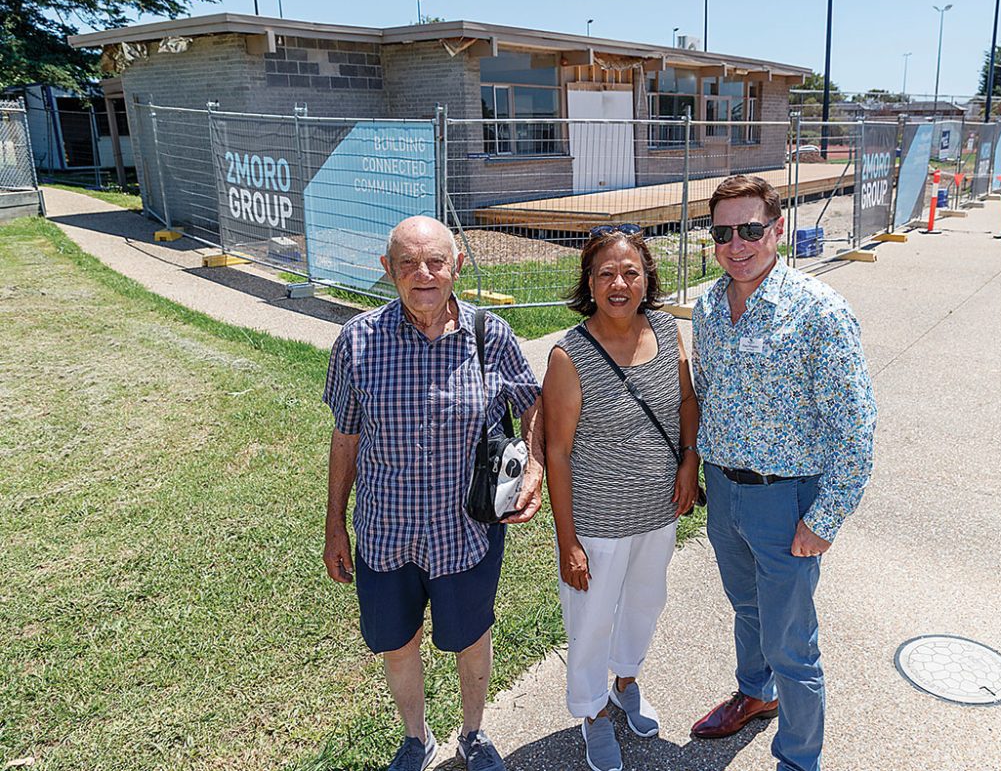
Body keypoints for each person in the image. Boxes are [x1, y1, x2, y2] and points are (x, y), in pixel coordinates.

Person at [321, 216, 545, 771]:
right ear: (387, 271)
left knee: (471, 637)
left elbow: (532, 403)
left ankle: (473, 733)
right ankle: (416, 738)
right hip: (384, 533)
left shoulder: (490, 336)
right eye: (407, 263)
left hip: (465, 534)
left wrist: (535, 461)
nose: (423, 273)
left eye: (435, 261)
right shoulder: (358, 339)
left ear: (457, 266)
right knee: (397, 644)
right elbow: (345, 436)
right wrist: (334, 524)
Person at [688, 176, 876, 771]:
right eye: (723, 232)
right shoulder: (710, 307)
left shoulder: (820, 310)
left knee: (792, 645)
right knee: (746, 608)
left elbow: (856, 424)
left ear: (778, 230)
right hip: (724, 492)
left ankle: (798, 758)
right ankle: (754, 695)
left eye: (750, 230)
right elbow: (710, 394)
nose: (736, 244)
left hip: (787, 501)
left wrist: (826, 518)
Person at [543, 227, 701, 771]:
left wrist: (689, 459)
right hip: (598, 523)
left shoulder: (663, 329)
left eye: (630, 272)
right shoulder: (569, 355)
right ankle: (592, 713)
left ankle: (626, 681)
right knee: (590, 622)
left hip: (658, 514)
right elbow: (557, 453)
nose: (619, 283)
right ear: (589, 281)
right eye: (606, 273)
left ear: (646, 280)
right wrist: (569, 542)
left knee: (642, 606)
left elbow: (684, 399)